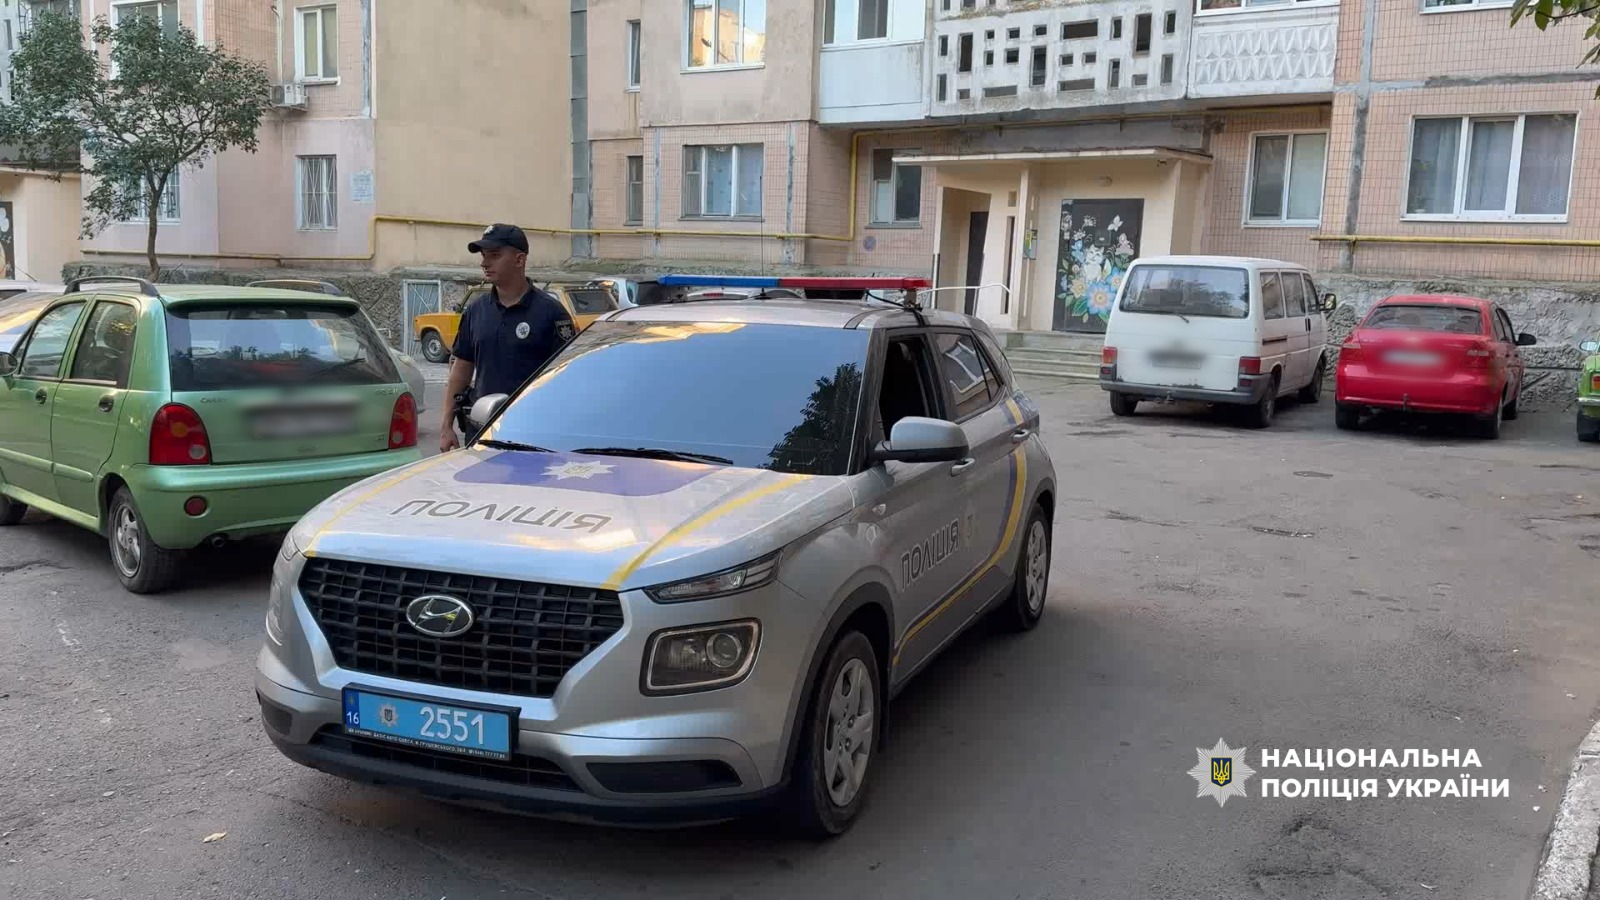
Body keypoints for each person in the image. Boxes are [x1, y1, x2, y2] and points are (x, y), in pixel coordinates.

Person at [438, 223, 576, 453]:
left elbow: (567, 379)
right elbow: (462, 368)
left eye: (494, 255)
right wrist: (446, 425)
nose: (484, 263)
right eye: (483, 256)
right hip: (482, 432)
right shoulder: (476, 310)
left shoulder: (552, 313)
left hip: (532, 435)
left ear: (519, 259)